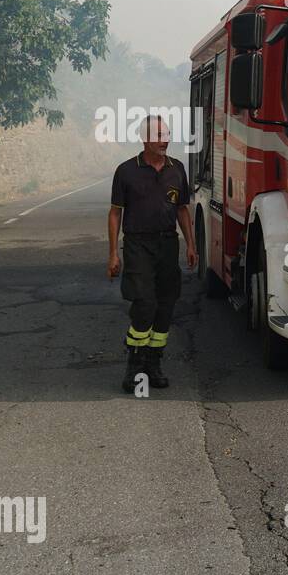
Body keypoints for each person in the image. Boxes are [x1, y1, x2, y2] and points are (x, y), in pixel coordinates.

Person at [107, 115, 196, 392]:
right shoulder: (126, 171)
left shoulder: (177, 169)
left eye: (167, 134)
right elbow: (115, 213)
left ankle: (154, 364)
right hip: (137, 246)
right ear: (144, 138)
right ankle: (134, 367)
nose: (165, 139)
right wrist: (113, 253)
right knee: (144, 304)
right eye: (159, 135)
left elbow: (182, 209)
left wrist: (191, 245)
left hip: (168, 245)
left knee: (166, 305)